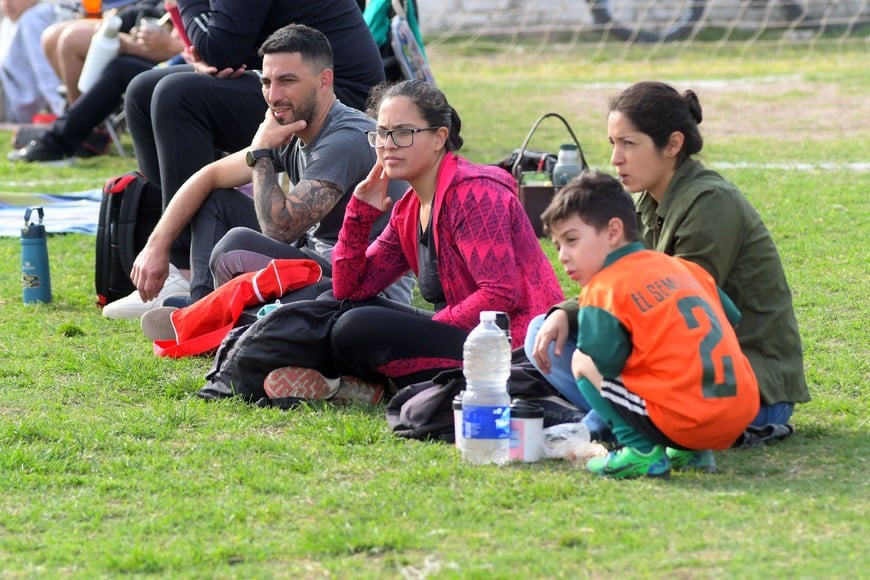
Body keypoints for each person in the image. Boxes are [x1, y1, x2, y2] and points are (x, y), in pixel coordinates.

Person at [526, 81, 809, 444]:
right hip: (688, 373)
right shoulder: (649, 200)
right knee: (545, 331)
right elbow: (632, 285)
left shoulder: (711, 203)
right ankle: (619, 416)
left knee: (592, 353)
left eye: (629, 144)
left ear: (673, 145)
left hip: (744, 391)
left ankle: (612, 421)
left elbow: (676, 308)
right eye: (613, 143)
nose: (615, 159)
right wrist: (567, 313)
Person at [260, 79, 565, 403]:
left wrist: (430, 329)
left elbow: (499, 294)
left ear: (439, 138)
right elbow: (349, 289)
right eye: (381, 133)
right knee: (336, 305)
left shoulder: (475, 194)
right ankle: (357, 383)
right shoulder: (409, 209)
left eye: (403, 133)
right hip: (463, 336)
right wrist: (359, 212)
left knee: (355, 326)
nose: (388, 145)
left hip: (514, 351)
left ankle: (356, 382)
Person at [117, 23, 411, 324]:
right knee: (215, 201)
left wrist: (260, 152)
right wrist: (156, 246)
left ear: (324, 80)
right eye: (266, 82)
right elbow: (208, 176)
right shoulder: (293, 127)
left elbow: (280, 230)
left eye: (287, 81)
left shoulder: (344, 138)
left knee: (236, 242)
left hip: (364, 289)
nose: (273, 95)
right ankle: (203, 306)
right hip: (317, 267)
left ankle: (211, 316)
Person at [543, 170, 759, 479]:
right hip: (740, 412)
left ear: (613, 231)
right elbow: (731, 317)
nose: (563, 256)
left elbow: (608, 362)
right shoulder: (682, 267)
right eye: (558, 246)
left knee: (583, 360)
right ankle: (691, 453)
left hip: (687, 420)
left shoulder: (603, 289)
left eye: (572, 240)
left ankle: (641, 452)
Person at [9, 10, 185, 164]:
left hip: (186, 70)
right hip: (172, 57)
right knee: (58, 36)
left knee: (117, 65)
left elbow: (198, 49)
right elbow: (152, 9)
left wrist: (171, 45)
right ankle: (81, 130)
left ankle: (66, 137)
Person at [0, 0, 65, 122]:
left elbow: (46, 72)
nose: (7, 3)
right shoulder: (10, 21)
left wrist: (63, 113)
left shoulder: (33, 18)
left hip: (11, 101)